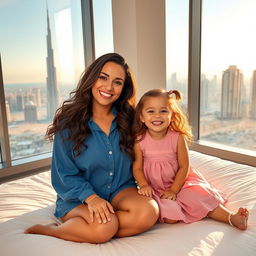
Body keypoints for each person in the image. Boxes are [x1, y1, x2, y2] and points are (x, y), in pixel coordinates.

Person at [24, 53, 159, 243]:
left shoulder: (130, 118)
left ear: (124, 88)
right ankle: (55, 231)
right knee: (104, 226)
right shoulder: (68, 122)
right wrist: (92, 198)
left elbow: (154, 141)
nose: (109, 87)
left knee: (149, 211)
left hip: (120, 189)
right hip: (80, 198)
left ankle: (94, 228)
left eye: (117, 82)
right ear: (92, 78)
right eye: (103, 77)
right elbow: (64, 173)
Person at [132, 88, 249, 230]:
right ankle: (180, 208)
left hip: (180, 182)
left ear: (172, 115)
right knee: (170, 218)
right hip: (156, 188)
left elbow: (184, 166)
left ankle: (231, 218)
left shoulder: (177, 137)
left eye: (163, 111)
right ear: (141, 117)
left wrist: (174, 190)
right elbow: (137, 167)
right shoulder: (139, 140)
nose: (157, 116)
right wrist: (144, 185)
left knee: (198, 196)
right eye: (151, 111)